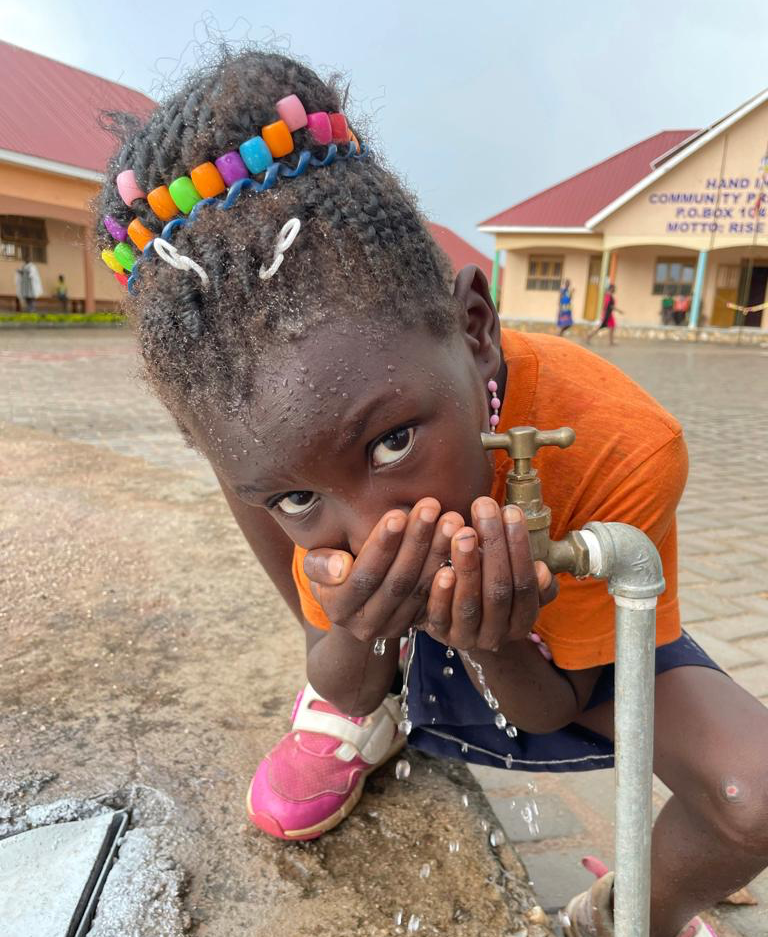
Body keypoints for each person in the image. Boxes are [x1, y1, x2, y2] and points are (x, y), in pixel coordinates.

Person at [95, 49, 768, 937]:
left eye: (394, 441)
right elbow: (334, 659)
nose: (379, 528)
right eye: (296, 496)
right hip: (373, 637)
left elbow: (552, 704)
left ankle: (625, 914)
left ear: (477, 330)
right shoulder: (286, 468)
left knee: (750, 793)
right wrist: (353, 623)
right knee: (320, 591)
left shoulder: (616, 443)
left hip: (551, 643)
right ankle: (354, 730)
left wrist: (493, 646)